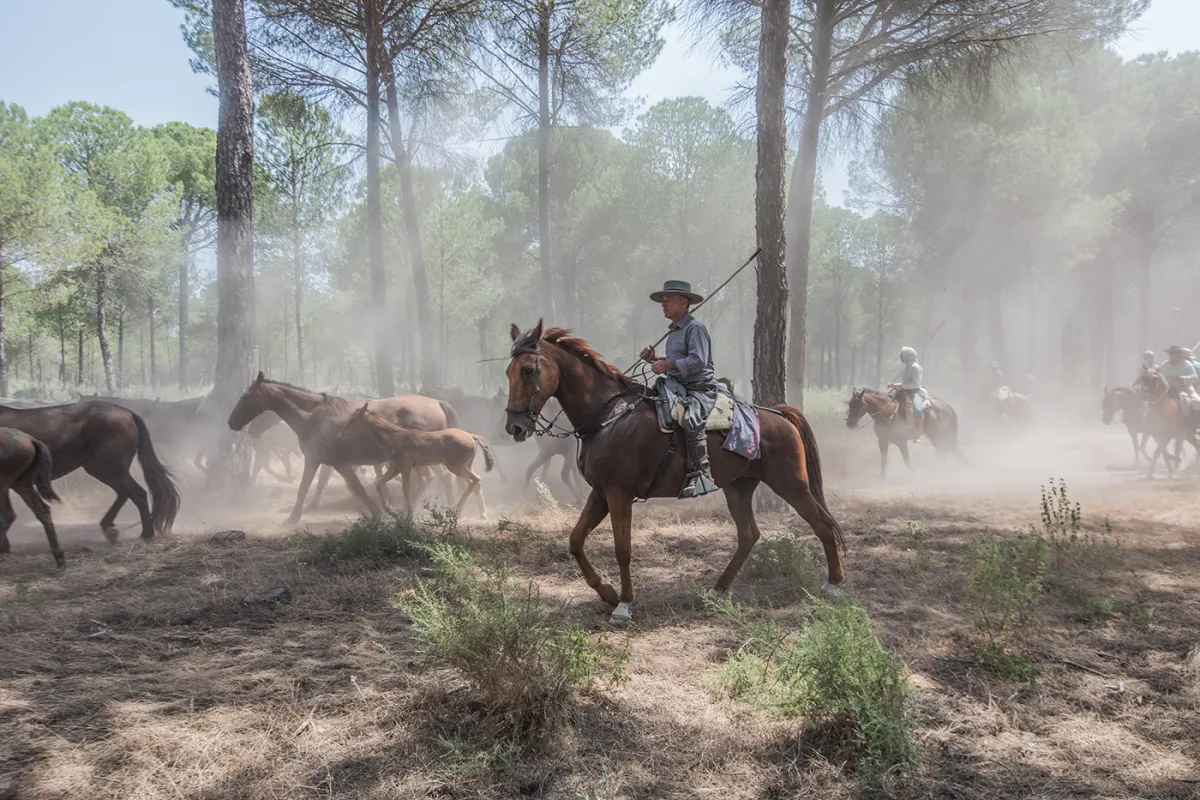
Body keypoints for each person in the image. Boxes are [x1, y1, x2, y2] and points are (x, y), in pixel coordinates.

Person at [640, 279, 719, 498]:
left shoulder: (695, 328)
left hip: (698, 389)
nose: (663, 304)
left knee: (691, 419)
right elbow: (676, 362)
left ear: (684, 302)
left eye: (668, 299)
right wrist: (655, 359)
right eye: (662, 300)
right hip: (676, 386)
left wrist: (667, 365)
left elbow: (698, 360)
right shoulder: (674, 331)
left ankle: (701, 474)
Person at [888, 346, 925, 442]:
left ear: (907, 356)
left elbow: (915, 384)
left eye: (902, 355)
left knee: (917, 409)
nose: (900, 357)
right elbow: (904, 383)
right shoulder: (907, 367)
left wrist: (901, 387)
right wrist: (894, 385)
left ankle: (919, 434)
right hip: (905, 391)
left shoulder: (915, 367)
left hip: (915, 392)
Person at [1159, 345, 1200, 412]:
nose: (1171, 355)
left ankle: (1194, 418)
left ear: (1180, 354)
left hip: (1185, 388)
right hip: (1166, 388)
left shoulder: (1187, 364)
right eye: (1170, 353)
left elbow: (1194, 378)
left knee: (1197, 402)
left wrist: (1181, 378)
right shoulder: (1165, 364)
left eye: (1174, 353)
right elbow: (1160, 375)